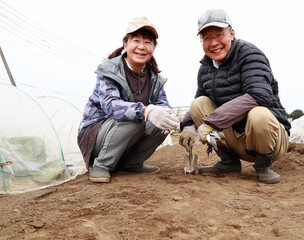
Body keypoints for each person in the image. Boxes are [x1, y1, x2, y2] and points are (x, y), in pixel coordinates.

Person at [179, 9, 291, 184]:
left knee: (258, 113)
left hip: (270, 139)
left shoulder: (250, 54)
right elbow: (200, 100)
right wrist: (187, 126)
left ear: (231, 34)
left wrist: (211, 122)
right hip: (237, 138)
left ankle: (264, 165)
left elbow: (259, 95)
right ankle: (228, 161)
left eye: (218, 35)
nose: (214, 43)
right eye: (207, 38)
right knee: (198, 104)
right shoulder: (205, 68)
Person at [78, 16, 180, 183]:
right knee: (135, 117)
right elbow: (110, 106)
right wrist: (146, 111)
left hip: (126, 134)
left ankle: (132, 164)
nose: (141, 47)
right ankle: (101, 165)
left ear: (154, 47)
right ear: (125, 44)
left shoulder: (155, 77)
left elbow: (162, 104)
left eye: (148, 42)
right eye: (136, 40)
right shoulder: (109, 70)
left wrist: (169, 115)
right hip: (96, 135)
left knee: (163, 123)